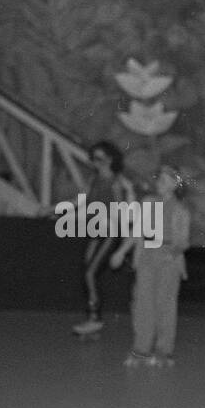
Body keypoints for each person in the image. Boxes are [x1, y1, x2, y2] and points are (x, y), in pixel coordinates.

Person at [110, 165, 192, 368]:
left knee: (165, 304)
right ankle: (141, 349)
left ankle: (164, 351)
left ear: (174, 185)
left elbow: (183, 241)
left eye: (165, 180)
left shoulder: (181, 210)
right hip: (147, 254)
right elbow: (137, 231)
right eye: (159, 179)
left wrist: (171, 253)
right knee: (142, 303)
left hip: (169, 259)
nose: (159, 183)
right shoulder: (148, 203)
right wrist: (121, 252)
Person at [73, 141, 136, 338]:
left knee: (90, 273)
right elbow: (79, 201)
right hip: (95, 231)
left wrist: (124, 239)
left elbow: (121, 211)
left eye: (99, 158)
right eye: (93, 158)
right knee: (86, 270)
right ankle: (93, 318)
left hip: (109, 232)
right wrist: (51, 209)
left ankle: (94, 319)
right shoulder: (94, 180)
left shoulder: (116, 182)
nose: (95, 162)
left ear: (110, 159)